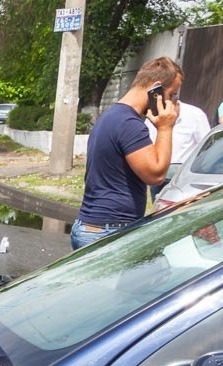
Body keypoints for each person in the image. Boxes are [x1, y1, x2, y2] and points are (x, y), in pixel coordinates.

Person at [71, 57, 182, 250]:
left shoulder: (112, 116)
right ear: (156, 89)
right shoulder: (129, 124)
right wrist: (165, 128)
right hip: (109, 231)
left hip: (95, 227)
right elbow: (155, 174)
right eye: (171, 94)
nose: (172, 102)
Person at [145, 100, 210, 195]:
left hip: (183, 177)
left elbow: (206, 146)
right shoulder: (152, 118)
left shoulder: (195, 115)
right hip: (158, 175)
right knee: (158, 207)